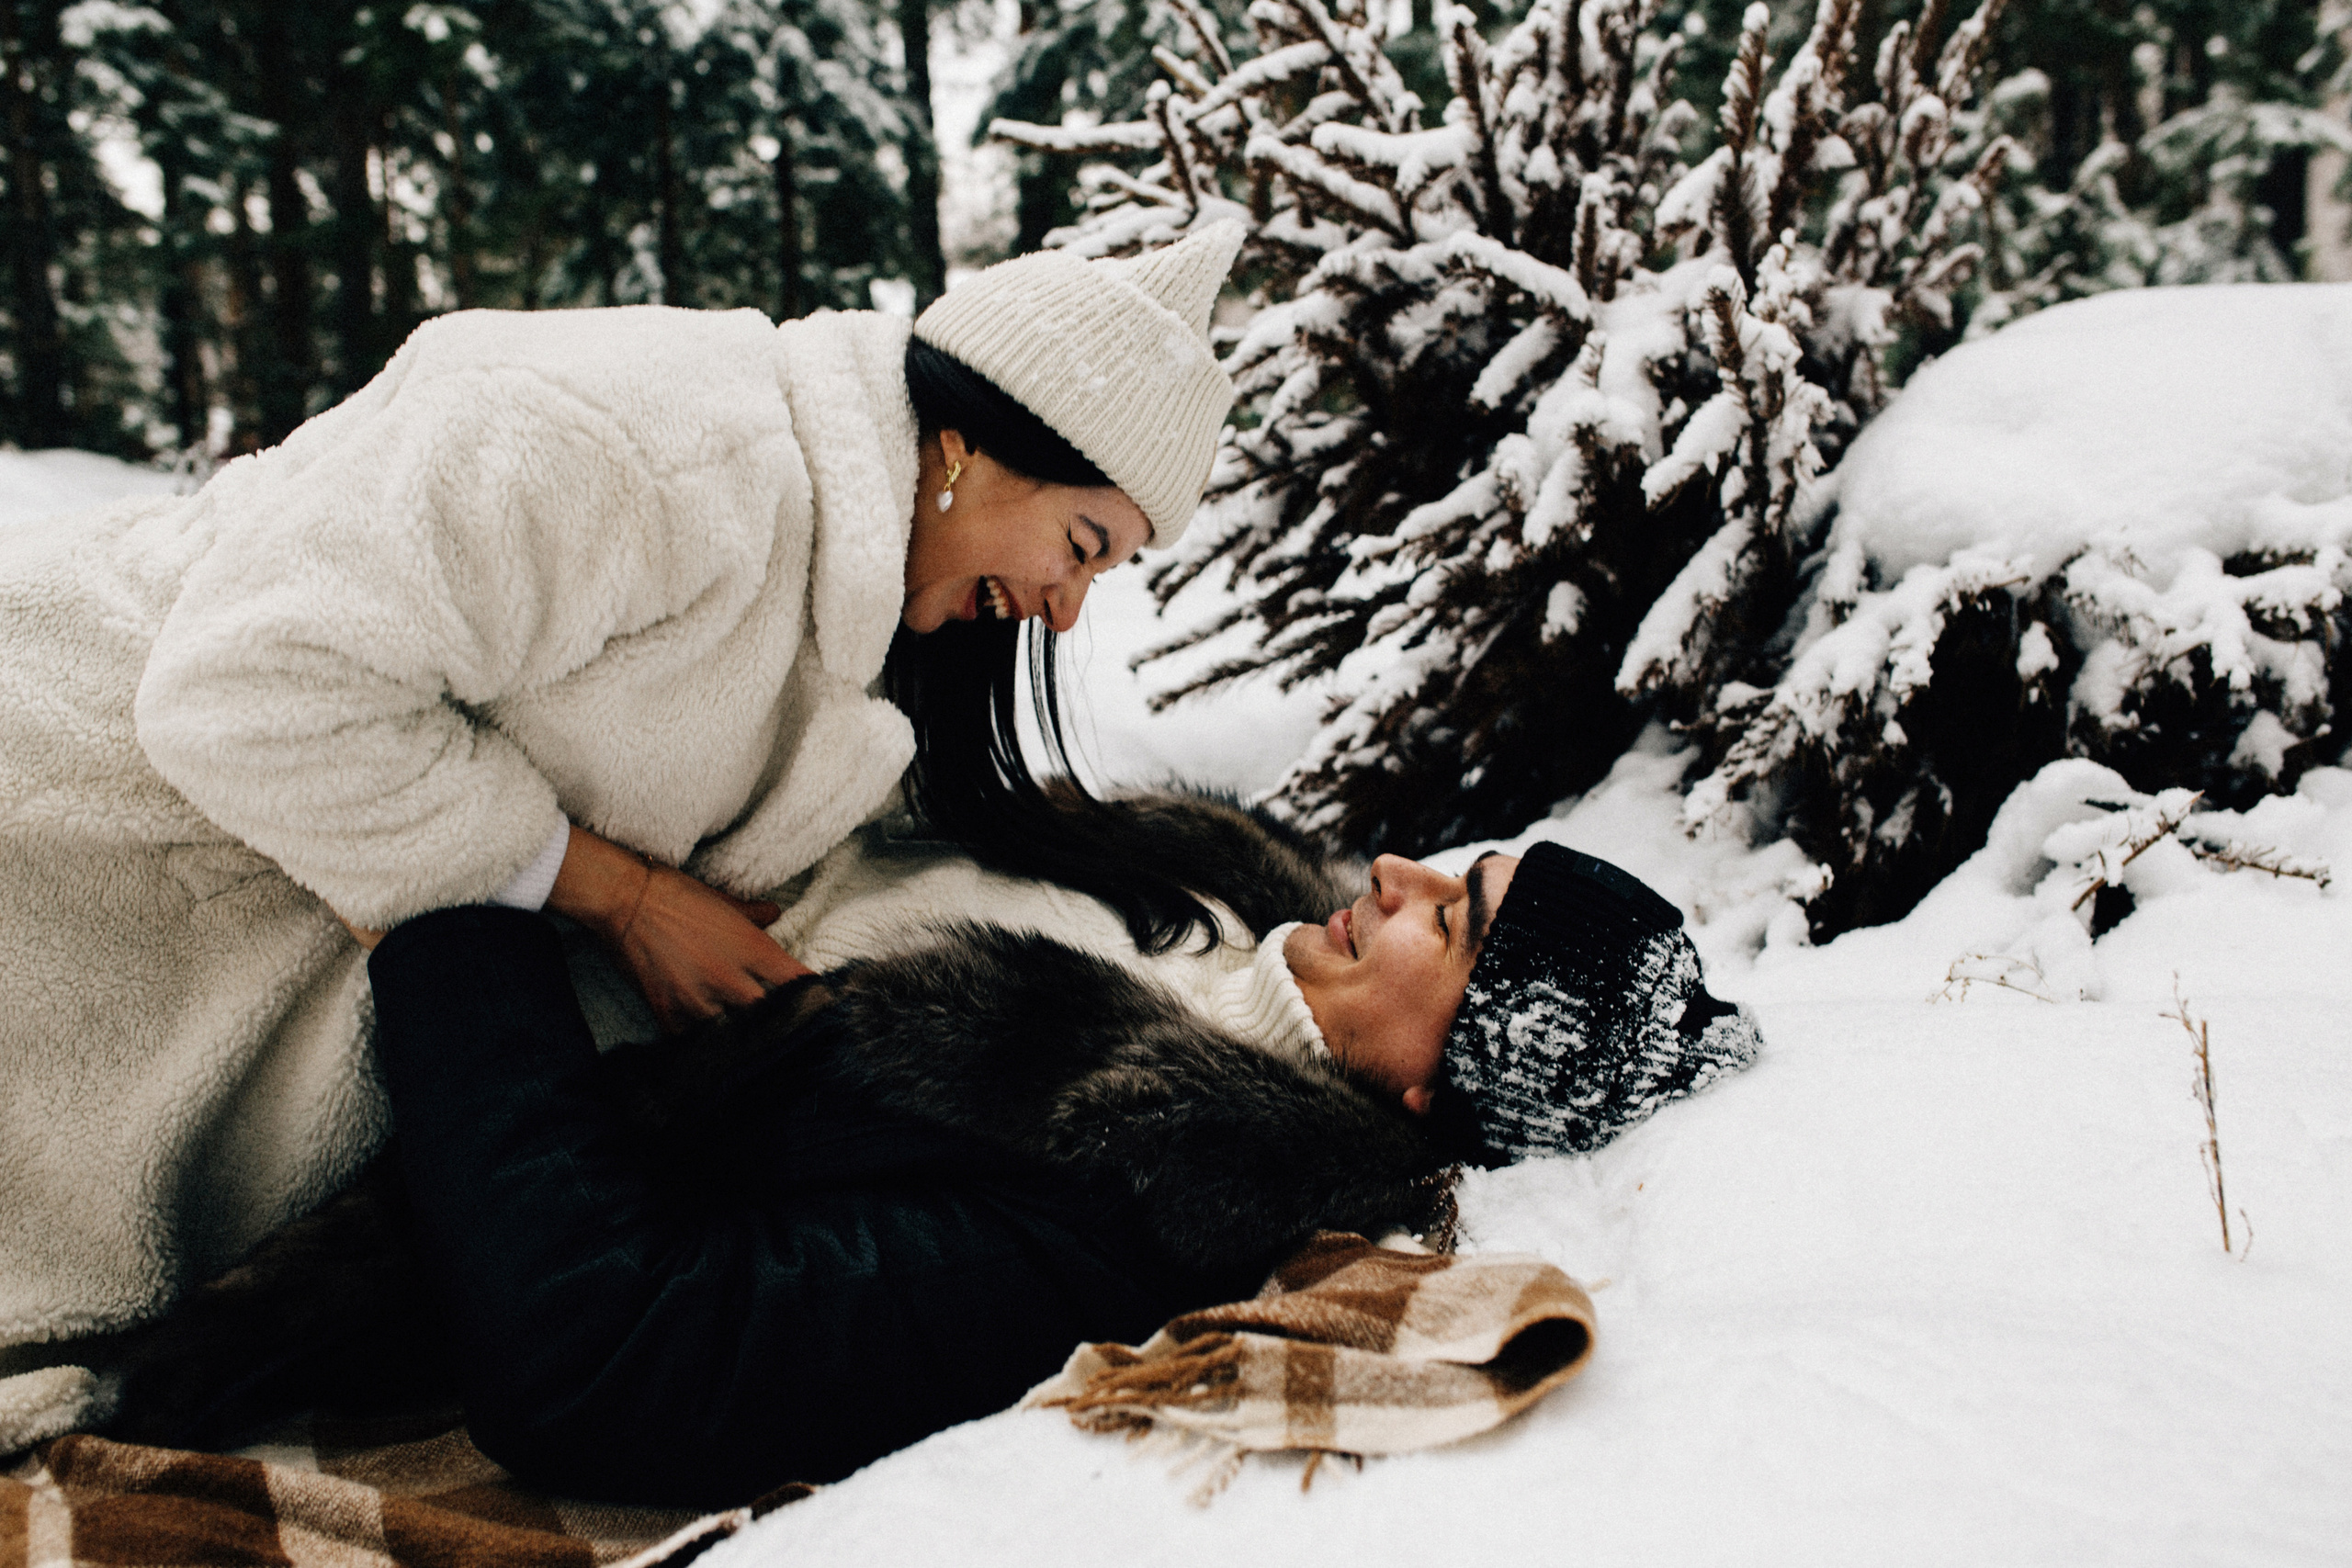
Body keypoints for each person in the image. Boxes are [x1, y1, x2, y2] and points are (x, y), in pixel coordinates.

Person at [0, 222, 1255, 1448]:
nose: (1069, 611)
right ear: (970, 443)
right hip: (67, 819)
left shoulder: (857, 599)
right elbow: (245, 688)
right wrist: (616, 896)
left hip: (194, 946)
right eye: (1084, 547)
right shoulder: (645, 448)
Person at [100, 792, 1762, 1504]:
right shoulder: (1205, 891)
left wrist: (459, 920)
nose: (1394, 869)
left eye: (1450, 924)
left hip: (257, 1087)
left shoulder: (1138, 1193)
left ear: (1444, 1084)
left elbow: (613, 1352)